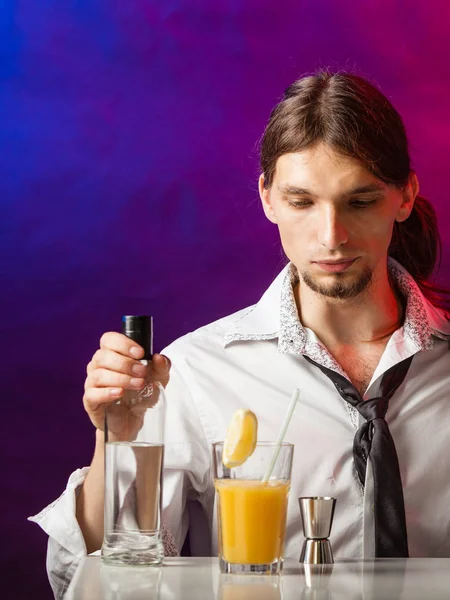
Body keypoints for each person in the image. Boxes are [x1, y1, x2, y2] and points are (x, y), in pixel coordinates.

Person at [30, 70, 450, 597]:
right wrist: (114, 439)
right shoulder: (199, 371)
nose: (332, 235)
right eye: (302, 202)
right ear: (268, 199)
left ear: (405, 196)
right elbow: (95, 580)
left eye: (360, 202)